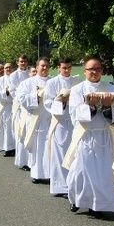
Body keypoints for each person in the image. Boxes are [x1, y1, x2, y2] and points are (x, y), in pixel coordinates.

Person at [64, 56, 114, 217]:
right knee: (79, 171)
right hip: (84, 134)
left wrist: (108, 106)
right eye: (91, 69)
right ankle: (76, 199)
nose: (94, 72)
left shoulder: (110, 88)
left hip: (102, 135)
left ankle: (97, 205)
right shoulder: (77, 89)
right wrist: (91, 106)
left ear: (102, 71)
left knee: (101, 173)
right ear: (85, 71)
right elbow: (74, 113)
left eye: (98, 69)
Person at [44, 58, 78, 196]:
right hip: (60, 121)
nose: (67, 70)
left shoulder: (77, 82)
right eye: (64, 68)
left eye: (69, 67)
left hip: (74, 121)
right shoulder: (52, 83)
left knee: (73, 153)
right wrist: (61, 102)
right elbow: (47, 102)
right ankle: (59, 186)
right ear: (58, 68)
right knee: (59, 154)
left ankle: (71, 183)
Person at [15, 57, 52, 184]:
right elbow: (22, 98)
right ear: (36, 67)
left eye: (47, 65)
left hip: (50, 120)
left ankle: (51, 173)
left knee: (50, 148)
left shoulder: (53, 82)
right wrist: (36, 96)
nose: (44, 68)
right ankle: (37, 173)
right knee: (37, 148)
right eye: (42, 66)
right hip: (35, 120)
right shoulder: (27, 83)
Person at [9, 55, 30, 168]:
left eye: (25, 61)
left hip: (31, 107)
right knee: (21, 133)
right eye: (21, 61)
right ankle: (22, 161)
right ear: (17, 62)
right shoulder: (13, 75)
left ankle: (30, 160)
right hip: (19, 107)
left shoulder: (31, 73)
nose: (23, 63)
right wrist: (23, 96)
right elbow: (12, 91)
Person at [0, 62, 16, 156]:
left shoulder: (15, 79)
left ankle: (15, 147)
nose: (8, 69)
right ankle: (7, 148)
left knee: (15, 128)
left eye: (10, 68)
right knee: (6, 128)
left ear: (12, 68)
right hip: (5, 107)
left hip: (15, 106)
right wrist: (6, 92)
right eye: (6, 68)